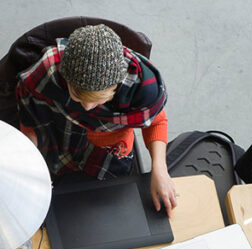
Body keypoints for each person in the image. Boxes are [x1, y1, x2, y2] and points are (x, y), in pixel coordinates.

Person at [15, 24, 179, 216]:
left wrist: (160, 169)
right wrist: (31, 161)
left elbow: (156, 122)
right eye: (77, 96)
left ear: (117, 85)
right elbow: (30, 118)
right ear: (64, 76)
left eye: (98, 100)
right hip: (60, 137)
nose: (86, 108)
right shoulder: (48, 70)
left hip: (111, 148)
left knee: (108, 211)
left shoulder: (143, 89)